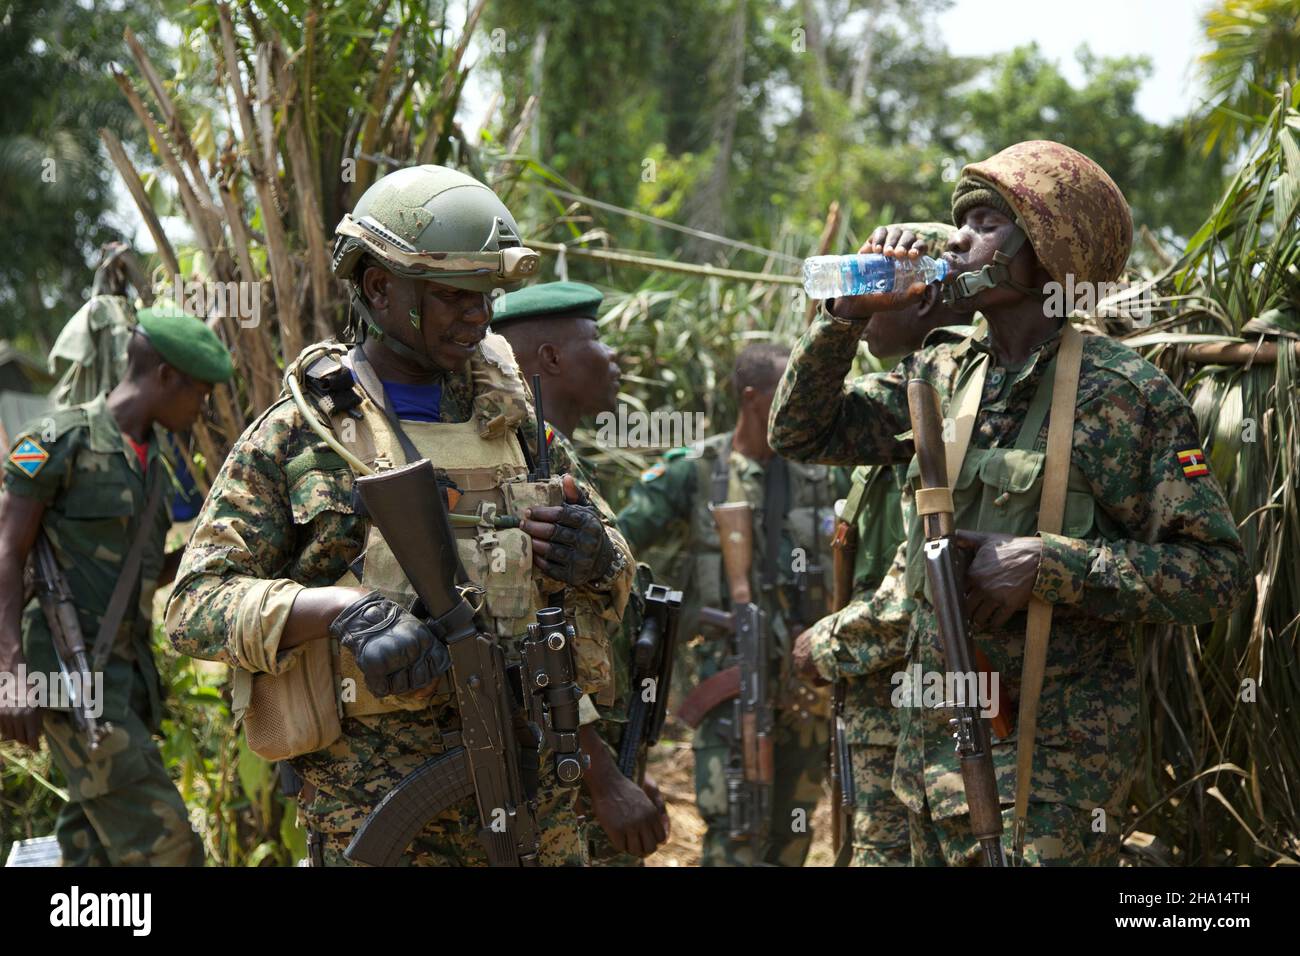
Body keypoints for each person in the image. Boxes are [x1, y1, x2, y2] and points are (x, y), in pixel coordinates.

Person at [770, 141, 1248, 865]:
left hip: (1049, 779)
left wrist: (1051, 565)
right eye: (963, 220)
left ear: (1049, 251)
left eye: (987, 222)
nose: (957, 237)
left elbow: (1215, 573)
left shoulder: (1123, 396)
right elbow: (801, 430)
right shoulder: (939, 372)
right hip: (927, 769)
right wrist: (844, 317)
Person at [165, 164, 637, 866]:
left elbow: (615, 570)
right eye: (453, 295)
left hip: (536, 807)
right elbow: (194, 606)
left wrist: (595, 556)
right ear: (381, 288)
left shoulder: (516, 428)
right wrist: (340, 611)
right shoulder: (303, 434)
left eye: (484, 295)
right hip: (381, 813)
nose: (477, 316)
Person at [0, 303, 230, 866]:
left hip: (123, 679)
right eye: (198, 393)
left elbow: (139, 570)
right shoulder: (58, 439)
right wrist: (7, 671)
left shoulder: (154, 461)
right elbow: (6, 551)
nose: (201, 408)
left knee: (92, 846)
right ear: (164, 376)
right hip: (64, 673)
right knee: (168, 846)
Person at [788, 223, 976, 867]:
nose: (864, 316)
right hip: (879, 707)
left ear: (918, 299)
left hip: (928, 704)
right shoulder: (897, 404)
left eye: (877, 287)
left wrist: (833, 642)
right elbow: (797, 429)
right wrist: (843, 317)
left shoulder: (958, 403)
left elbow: (936, 578)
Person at [618, 342, 846, 866]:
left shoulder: (825, 475)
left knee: (792, 833)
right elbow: (617, 546)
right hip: (727, 685)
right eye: (787, 394)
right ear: (751, 399)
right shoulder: (696, 471)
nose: (802, 405)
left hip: (806, 687)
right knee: (733, 830)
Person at [493, 280, 669, 863]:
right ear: (551, 359)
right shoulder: (519, 468)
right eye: (596, 339)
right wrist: (603, 777)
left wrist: (625, 765)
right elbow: (528, 632)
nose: (613, 356)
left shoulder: (561, 457)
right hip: (557, 770)